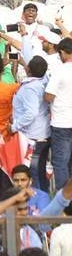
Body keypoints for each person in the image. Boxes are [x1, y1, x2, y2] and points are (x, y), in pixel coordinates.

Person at [12, 56, 51, 191]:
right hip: (41, 134)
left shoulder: (30, 88)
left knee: (34, 173)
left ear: (28, 69)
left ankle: (40, 206)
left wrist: (13, 127)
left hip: (33, 137)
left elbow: (31, 113)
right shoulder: (44, 81)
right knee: (39, 172)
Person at [47, 38, 72, 190]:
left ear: (62, 52)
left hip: (62, 123)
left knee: (60, 162)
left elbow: (49, 96)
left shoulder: (60, 71)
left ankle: (63, 201)